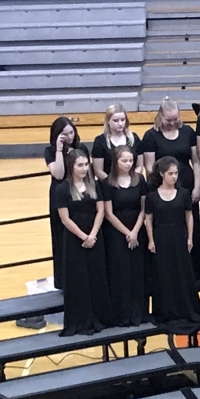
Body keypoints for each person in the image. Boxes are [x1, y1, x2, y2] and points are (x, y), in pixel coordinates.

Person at [141, 99, 200, 280]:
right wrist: (160, 191)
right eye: (168, 120)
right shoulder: (150, 136)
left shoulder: (187, 132)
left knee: (191, 227)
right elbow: (150, 167)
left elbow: (196, 161)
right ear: (160, 115)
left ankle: (194, 273)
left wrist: (197, 186)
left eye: (175, 118)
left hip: (186, 186)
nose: (172, 122)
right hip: (164, 191)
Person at [144, 156, 200, 334]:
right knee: (164, 273)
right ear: (162, 174)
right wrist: (151, 240)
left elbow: (189, 216)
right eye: (171, 173)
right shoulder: (152, 197)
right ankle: (166, 310)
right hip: (161, 236)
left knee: (182, 271)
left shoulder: (184, 193)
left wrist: (190, 238)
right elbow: (148, 219)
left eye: (176, 173)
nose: (174, 177)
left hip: (179, 235)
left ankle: (184, 307)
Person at [55, 149, 113, 336]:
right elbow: (65, 219)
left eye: (86, 165)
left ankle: (100, 317)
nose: (84, 168)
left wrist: (93, 234)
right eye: (80, 165)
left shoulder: (95, 185)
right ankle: (80, 320)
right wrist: (83, 237)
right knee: (78, 279)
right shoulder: (62, 189)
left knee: (96, 276)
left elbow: (101, 211)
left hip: (95, 236)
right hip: (74, 239)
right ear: (71, 166)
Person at [102, 145, 149, 327]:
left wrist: (136, 231)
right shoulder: (107, 183)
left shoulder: (139, 180)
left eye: (131, 160)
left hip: (137, 231)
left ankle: (139, 312)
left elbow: (143, 208)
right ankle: (121, 314)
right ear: (116, 161)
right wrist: (127, 232)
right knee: (120, 273)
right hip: (117, 233)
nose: (128, 164)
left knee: (137, 272)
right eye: (124, 161)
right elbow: (109, 213)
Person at [44, 116, 88, 289]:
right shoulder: (50, 151)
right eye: (65, 134)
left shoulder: (82, 148)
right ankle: (64, 281)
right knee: (62, 237)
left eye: (71, 132)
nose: (70, 136)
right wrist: (59, 149)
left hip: (81, 194)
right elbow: (59, 174)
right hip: (61, 195)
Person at [91, 104, 143, 180]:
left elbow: (140, 166)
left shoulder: (134, 138)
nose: (120, 124)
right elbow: (98, 171)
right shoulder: (100, 141)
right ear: (108, 121)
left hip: (131, 183)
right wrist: (113, 183)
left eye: (122, 120)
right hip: (109, 184)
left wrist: (131, 180)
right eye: (116, 120)